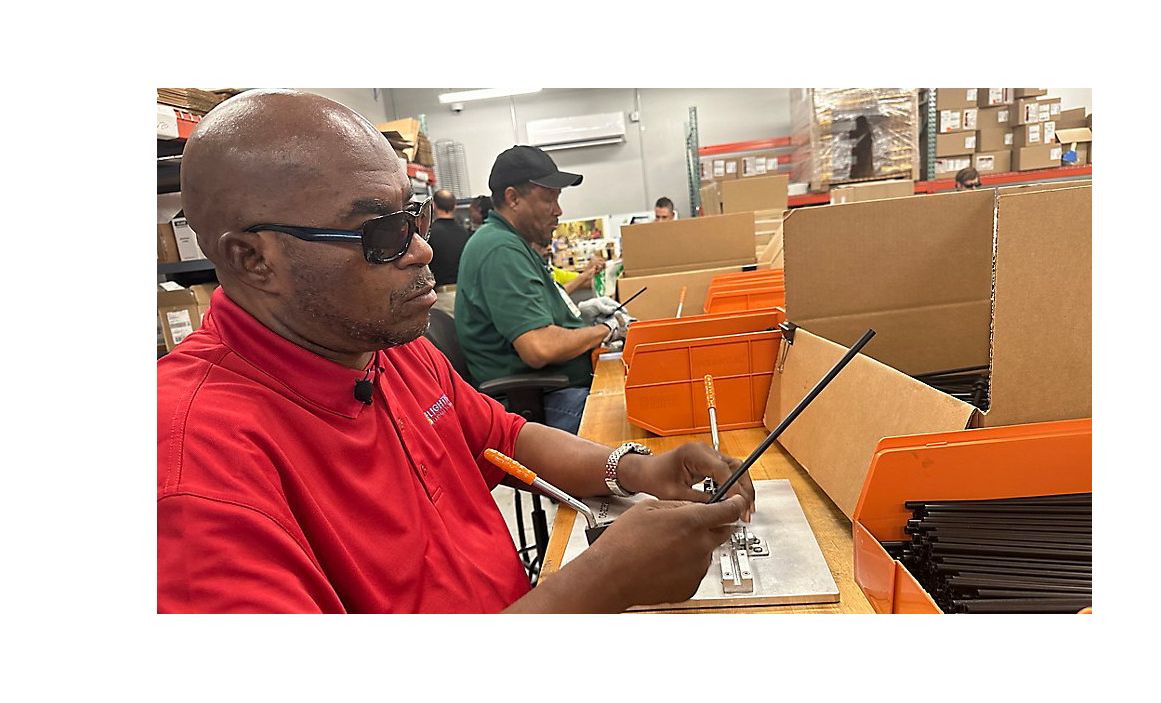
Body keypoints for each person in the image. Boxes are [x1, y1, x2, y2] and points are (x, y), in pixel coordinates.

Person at [158, 89, 754, 614]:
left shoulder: (383, 346)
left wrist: (638, 469)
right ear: (252, 259)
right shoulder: (195, 467)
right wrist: (600, 586)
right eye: (381, 232)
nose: (422, 250)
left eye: (412, 216)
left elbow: (505, 437)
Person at [455, 146, 624, 434]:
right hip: (541, 403)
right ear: (513, 198)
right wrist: (606, 329)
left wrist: (582, 316)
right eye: (549, 198)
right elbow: (539, 347)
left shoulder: (513, 244)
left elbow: (537, 315)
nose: (558, 210)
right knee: (628, 420)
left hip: (554, 390)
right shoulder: (500, 250)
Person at [426, 188, 471, 315]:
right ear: (454, 206)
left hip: (442, 298)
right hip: (465, 295)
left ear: (434, 206)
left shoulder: (429, 234)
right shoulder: (464, 232)